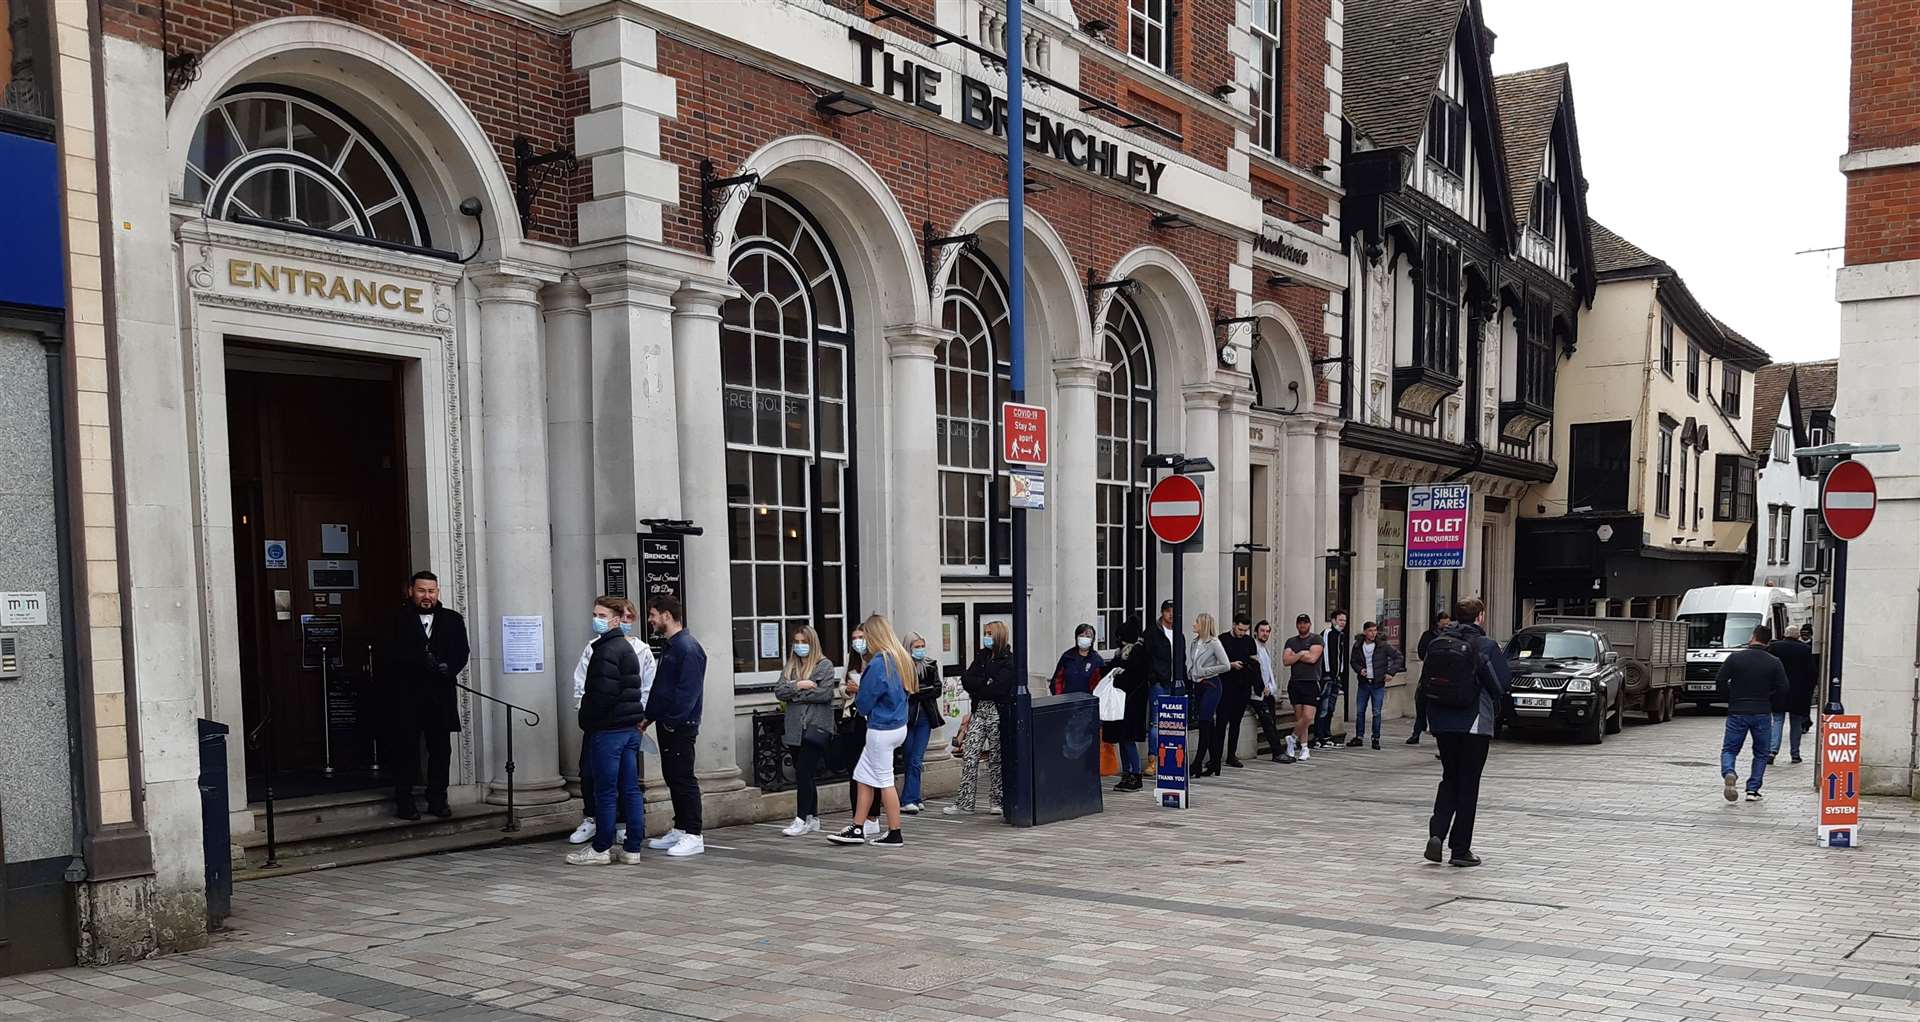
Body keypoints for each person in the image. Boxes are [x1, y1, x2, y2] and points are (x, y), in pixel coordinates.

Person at [375, 571, 470, 821]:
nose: (427, 596)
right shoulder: (394, 619)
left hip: (440, 698)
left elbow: (462, 651)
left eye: (431, 591)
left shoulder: (452, 619)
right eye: (421, 591)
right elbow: (387, 655)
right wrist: (418, 661)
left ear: (437, 592)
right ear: (410, 591)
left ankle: (438, 800)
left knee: (441, 751)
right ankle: (404, 802)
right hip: (406, 697)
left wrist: (448, 667)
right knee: (405, 750)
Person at [1422, 597, 1507, 868]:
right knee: (1468, 785)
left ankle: (1436, 833)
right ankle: (1460, 849)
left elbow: (1426, 682)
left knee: (1449, 778)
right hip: (1474, 723)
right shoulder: (1486, 645)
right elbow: (1502, 683)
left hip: (1442, 722)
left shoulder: (1439, 642)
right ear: (1480, 616)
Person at [566, 596, 648, 866]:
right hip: (629, 729)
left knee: (606, 790)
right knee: (630, 789)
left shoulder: (605, 650)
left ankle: (601, 848)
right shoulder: (626, 648)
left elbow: (601, 694)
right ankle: (632, 847)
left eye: (601, 615)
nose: (596, 619)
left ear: (615, 618)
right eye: (595, 614)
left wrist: (587, 720)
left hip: (609, 730)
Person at [827, 614, 913, 847]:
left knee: (885, 781)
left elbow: (863, 703)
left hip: (880, 728)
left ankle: (895, 832)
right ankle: (858, 827)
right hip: (897, 725)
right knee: (863, 777)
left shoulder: (878, 663)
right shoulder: (900, 658)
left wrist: (862, 690)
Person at [642, 597, 707, 857]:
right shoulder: (673, 646)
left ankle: (693, 834)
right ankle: (681, 828)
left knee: (683, 778)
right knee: (673, 777)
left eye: (653, 614)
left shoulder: (688, 648)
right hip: (670, 724)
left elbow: (687, 691)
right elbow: (662, 689)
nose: (651, 620)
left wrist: (671, 722)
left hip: (680, 726)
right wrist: (649, 717)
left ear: (667, 616)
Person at [773, 626, 837, 836]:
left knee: (803, 772)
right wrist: (800, 685)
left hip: (815, 727)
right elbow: (779, 691)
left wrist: (795, 693)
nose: (799, 646)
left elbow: (825, 694)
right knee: (806, 775)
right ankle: (813, 817)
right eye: (796, 642)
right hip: (794, 728)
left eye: (804, 642)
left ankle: (801, 818)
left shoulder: (824, 665)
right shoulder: (791, 666)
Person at [949, 620, 1016, 815]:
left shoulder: (1008, 660)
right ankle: (965, 802)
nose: (986, 637)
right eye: (985, 633)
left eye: (989, 633)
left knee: (996, 758)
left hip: (997, 711)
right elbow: (967, 679)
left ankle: (997, 800)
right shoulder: (982, 656)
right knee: (970, 754)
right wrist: (984, 683)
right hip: (979, 711)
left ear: (998, 636)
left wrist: (983, 685)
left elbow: (999, 688)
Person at [1716, 625, 1790, 802]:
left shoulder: (1735, 658)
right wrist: (1769, 698)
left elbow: (1720, 680)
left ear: (1752, 637)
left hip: (1737, 711)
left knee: (1730, 749)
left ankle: (1729, 772)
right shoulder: (1774, 661)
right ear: (1768, 641)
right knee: (1761, 752)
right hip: (1762, 711)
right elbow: (1784, 687)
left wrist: (1730, 697)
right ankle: (1753, 789)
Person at [1105, 620, 1153, 790]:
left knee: (1128, 739)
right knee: (1122, 739)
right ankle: (1127, 773)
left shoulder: (1138, 653)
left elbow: (1133, 677)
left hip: (1132, 704)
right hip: (1121, 703)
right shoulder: (1122, 654)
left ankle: (1135, 774)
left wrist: (1119, 674)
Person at [901, 632, 944, 814]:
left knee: (917, 759)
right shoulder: (902, 666)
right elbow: (905, 691)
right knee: (909, 757)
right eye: (916, 647)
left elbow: (937, 689)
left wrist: (918, 691)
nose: (919, 650)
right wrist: (919, 691)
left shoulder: (931, 665)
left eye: (921, 646)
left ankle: (910, 798)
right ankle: (911, 797)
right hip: (907, 718)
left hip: (925, 717)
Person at [1186, 613, 1233, 777]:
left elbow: (1226, 665)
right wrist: (1192, 672)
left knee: (1204, 723)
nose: (1194, 625)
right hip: (1198, 684)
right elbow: (1193, 663)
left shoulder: (1214, 643)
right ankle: (1215, 763)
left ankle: (1197, 763)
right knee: (1209, 726)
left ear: (1204, 625)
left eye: (1196, 622)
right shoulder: (1194, 642)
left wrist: (1205, 671)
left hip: (1212, 684)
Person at [1348, 621, 1403, 750]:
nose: (1373, 633)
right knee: (1360, 711)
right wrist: (1359, 670)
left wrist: (1391, 672)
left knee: (1376, 712)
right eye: (1370, 631)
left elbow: (1398, 657)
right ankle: (1359, 736)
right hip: (1364, 683)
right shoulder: (1358, 646)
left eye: (1375, 630)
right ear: (1365, 632)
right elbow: (1353, 661)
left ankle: (1375, 738)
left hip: (1377, 683)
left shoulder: (1382, 646)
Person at [1217, 615, 1263, 768]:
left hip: (1242, 686)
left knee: (1236, 722)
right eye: (1240, 629)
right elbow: (1216, 662)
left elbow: (1254, 662)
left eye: (1245, 630)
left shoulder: (1249, 641)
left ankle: (1232, 754)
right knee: (1222, 722)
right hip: (1226, 686)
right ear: (1234, 625)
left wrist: (1257, 684)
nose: (1242, 632)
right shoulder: (1222, 639)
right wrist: (1230, 665)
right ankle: (1216, 756)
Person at [1766, 627, 1817, 765]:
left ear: (1784, 634)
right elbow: (1812, 673)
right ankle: (1795, 754)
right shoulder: (1804, 649)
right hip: (1798, 693)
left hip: (1778, 691)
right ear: (1798, 636)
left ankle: (1772, 751)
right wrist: (1810, 691)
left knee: (1777, 720)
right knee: (1796, 723)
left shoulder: (1774, 647)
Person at [1281, 614, 1323, 761]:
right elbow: (1286, 660)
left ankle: (1292, 738)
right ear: (1297, 625)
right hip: (1295, 682)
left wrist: (1296, 656)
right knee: (1299, 717)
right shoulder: (1291, 641)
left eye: (1305, 623)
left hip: (1311, 682)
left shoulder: (1316, 639)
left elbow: (1313, 658)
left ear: (1310, 624)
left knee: (1308, 716)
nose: (1302, 625)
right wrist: (1300, 653)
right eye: (1300, 623)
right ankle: (1302, 747)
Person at [1407, 611, 1451, 745]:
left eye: (1448, 624)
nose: (1445, 626)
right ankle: (1417, 732)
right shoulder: (1428, 635)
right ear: (1437, 623)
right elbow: (1421, 653)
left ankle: (1441, 736)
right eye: (1443, 624)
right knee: (1421, 703)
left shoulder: (1451, 637)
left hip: (1446, 676)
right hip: (1429, 675)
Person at [1143, 599, 1179, 761]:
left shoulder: (1178, 633)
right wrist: (1153, 677)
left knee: (1172, 723)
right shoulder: (1152, 632)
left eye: (1173, 611)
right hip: (1158, 682)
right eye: (1167, 611)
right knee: (1156, 722)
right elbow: (1147, 657)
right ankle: (1153, 758)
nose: (1171, 614)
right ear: (1162, 612)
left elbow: (1181, 657)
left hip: (1174, 682)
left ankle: (1169, 758)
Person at [1250, 620, 1290, 763]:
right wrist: (1261, 687)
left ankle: (1277, 752)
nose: (1265, 634)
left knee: (1272, 723)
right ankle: (1277, 752)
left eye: (1267, 631)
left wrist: (1272, 689)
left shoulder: (1264, 648)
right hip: (1257, 693)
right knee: (1267, 722)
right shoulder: (1253, 647)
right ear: (1256, 632)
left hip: (1268, 693)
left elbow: (1269, 672)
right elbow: (1254, 671)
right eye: (1262, 631)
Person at [1313, 611, 1350, 748]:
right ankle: (1319, 737)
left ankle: (1326, 736)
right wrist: (1328, 673)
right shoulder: (1328, 633)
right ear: (1333, 620)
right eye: (1340, 620)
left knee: (1330, 708)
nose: (1342, 623)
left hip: (1336, 677)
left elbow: (1340, 656)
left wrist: (1339, 673)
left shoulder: (1341, 635)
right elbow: (1326, 653)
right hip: (1328, 677)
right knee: (1323, 708)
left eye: (1344, 621)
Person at [1051, 623, 1106, 695]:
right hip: (1066, 701)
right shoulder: (1067, 656)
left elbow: (1100, 685)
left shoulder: (1097, 660)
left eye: (1088, 636)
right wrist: (1059, 697)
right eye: (1081, 636)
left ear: (1093, 639)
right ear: (1076, 638)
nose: (1084, 638)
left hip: (1087, 702)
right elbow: (1057, 680)